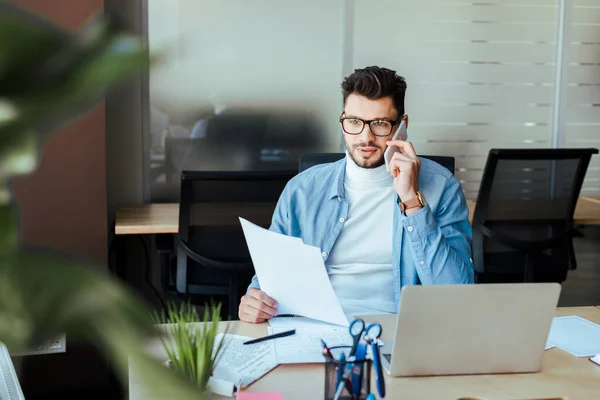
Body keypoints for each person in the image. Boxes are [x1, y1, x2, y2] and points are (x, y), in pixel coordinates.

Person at [238, 66, 474, 323]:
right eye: (354, 122)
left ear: (401, 126)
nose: (366, 137)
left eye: (380, 124)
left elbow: (456, 295)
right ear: (342, 121)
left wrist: (411, 201)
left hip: (402, 329)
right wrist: (254, 301)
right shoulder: (302, 190)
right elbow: (269, 281)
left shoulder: (441, 187)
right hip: (313, 329)